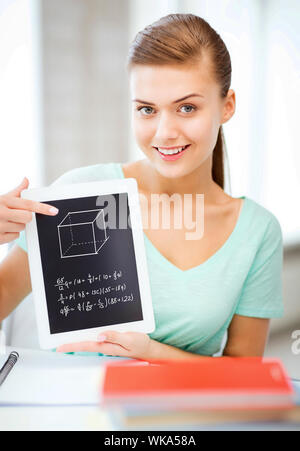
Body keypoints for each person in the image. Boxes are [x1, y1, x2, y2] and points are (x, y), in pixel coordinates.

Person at [0, 14, 283, 359]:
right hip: (77, 407)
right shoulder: (83, 193)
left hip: (188, 413)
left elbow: (244, 373)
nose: (164, 132)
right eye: (147, 109)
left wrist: (149, 351)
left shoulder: (257, 231)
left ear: (227, 106)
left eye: (187, 107)